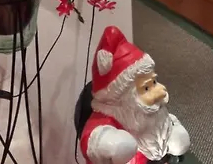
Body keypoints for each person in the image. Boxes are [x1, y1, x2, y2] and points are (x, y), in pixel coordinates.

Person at [79, 26, 190, 164]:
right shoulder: (114, 117)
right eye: (146, 88)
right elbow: (91, 140)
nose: (160, 91)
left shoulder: (148, 115)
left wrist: (174, 133)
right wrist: (109, 144)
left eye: (154, 82)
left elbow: (162, 124)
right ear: (123, 98)